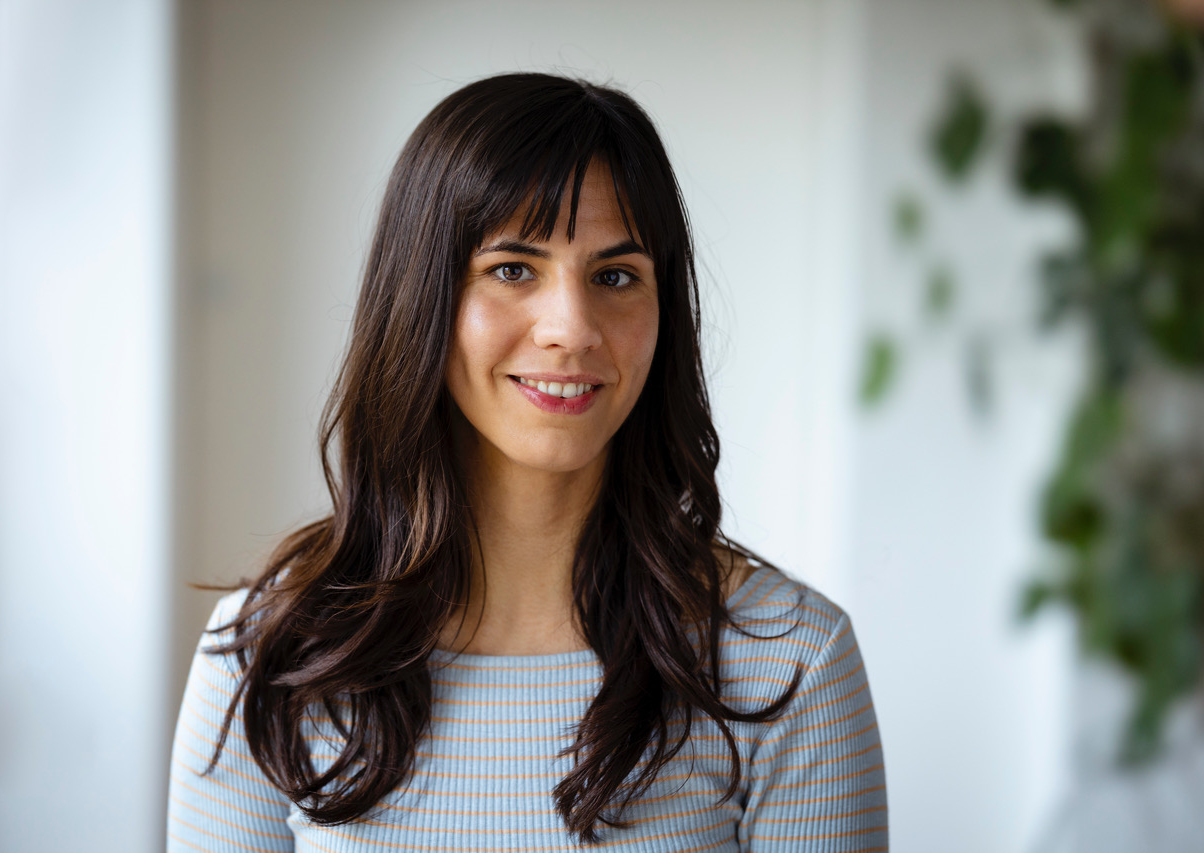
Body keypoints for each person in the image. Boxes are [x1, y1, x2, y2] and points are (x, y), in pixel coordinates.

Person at [167, 72, 887, 852]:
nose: (572, 328)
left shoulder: (791, 660)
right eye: (513, 269)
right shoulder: (268, 655)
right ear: (421, 298)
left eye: (616, 276)